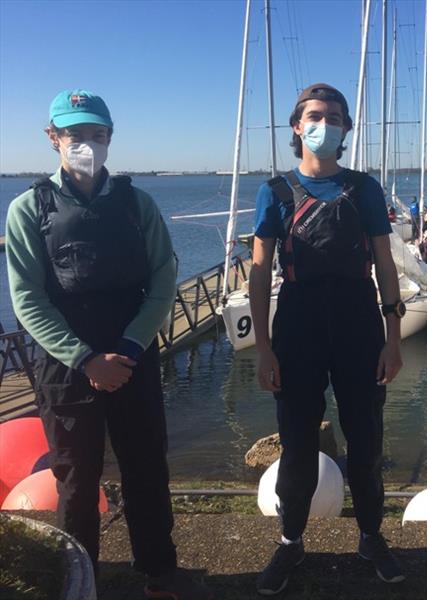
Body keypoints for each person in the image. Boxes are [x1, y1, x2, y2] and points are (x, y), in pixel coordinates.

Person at [4, 90, 210, 599]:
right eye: (75, 134)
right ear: (52, 137)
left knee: (146, 466)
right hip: (66, 364)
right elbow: (28, 299)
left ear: (110, 139)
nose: (86, 144)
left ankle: (159, 573)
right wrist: (86, 359)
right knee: (76, 479)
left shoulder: (137, 203)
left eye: (97, 134)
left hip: (132, 352)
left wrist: (131, 347)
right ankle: (79, 580)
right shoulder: (29, 208)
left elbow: (164, 277)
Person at [249, 83, 406, 595]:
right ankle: (291, 540)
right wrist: (265, 347)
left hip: (359, 323)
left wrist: (393, 338)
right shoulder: (274, 191)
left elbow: (384, 264)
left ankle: (370, 535)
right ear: (297, 127)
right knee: (296, 448)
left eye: (335, 117)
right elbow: (257, 272)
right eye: (315, 115)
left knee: (366, 443)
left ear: (345, 129)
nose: (326, 124)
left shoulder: (364, 189)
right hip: (297, 324)